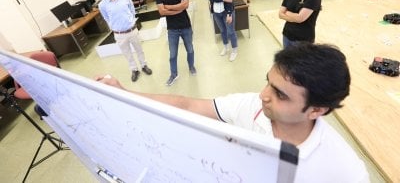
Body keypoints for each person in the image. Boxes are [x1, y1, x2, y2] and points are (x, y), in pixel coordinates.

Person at [97, 42, 369, 182]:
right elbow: (187, 105)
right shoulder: (253, 107)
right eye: (268, 83)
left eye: (280, 94)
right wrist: (124, 93)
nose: (263, 95)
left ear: (317, 110)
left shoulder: (344, 171)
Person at [98, 0, 152, 82]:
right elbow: (106, 18)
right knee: (127, 54)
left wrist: (130, 22)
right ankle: (134, 70)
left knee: (139, 50)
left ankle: (144, 66)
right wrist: (116, 27)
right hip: (119, 34)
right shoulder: (102, 5)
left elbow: (132, 11)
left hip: (132, 30)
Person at [155, 0, 196, 86]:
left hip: (185, 26)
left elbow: (186, 5)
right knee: (172, 55)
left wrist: (168, 7)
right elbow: (162, 11)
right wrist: (179, 8)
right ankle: (174, 74)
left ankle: (191, 66)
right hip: (172, 29)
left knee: (190, 50)